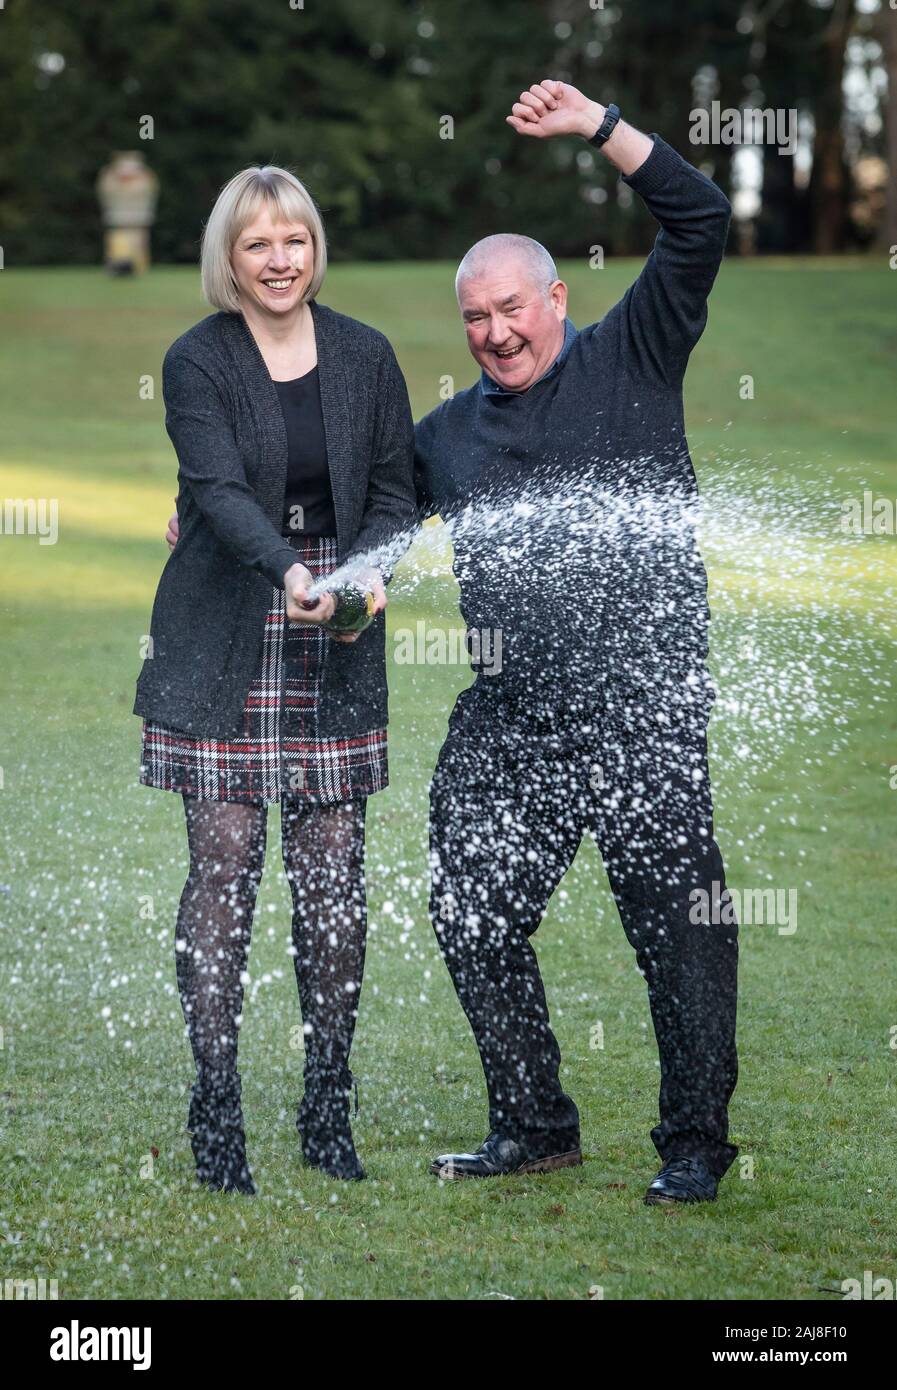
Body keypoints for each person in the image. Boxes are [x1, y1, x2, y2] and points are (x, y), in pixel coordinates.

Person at [416, 80, 739, 1204]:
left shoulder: (634, 353)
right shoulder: (446, 435)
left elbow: (701, 222)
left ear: (556, 297)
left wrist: (601, 127)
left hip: (645, 699)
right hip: (511, 714)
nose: (496, 332)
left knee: (679, 926)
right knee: (468, 901)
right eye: (474, 318)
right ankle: (535, 1122)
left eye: (512, 307)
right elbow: (350, 517)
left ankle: (695, 1143)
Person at [135, 164, 416, 1191]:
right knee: (223, 869)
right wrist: (296, 570)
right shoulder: (195, 360)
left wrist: (364, 577)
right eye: (258, 243)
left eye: (293, 238)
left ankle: (327, 1105)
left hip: (334, 635)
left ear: (313, 247)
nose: (280, 258)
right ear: (231, 259)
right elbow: (211, 489)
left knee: (334, 879)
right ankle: (217, 1108)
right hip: (226, 629)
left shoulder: (367, 355)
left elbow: (395, 495)